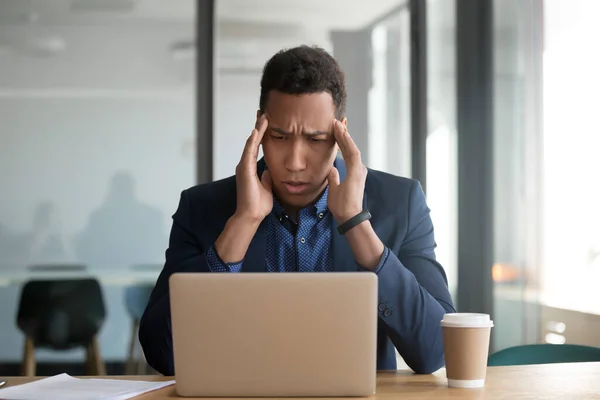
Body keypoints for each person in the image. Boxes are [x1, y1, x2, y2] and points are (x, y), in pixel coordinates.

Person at [139, 45, 456, 376]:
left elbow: (436, 349)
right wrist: (242, 224)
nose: (294, 162)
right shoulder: (202, 208)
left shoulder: (400, 203)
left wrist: (356, 224)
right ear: (259, 128)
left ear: (340, 133)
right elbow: (162, 353)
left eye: (316, 139)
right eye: (279, 136)